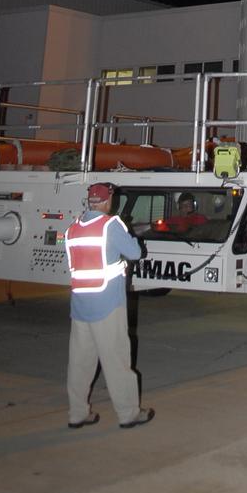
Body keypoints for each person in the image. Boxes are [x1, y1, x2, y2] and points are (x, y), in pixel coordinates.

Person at [65, 181, 155, 429]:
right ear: (107, 201)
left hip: (80, 305)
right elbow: (134, 253)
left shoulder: (73, 228)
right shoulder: (111, 225)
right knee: (116, 360)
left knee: (80, 363)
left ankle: (77, 413)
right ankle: (128, 414)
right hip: (107, 304)